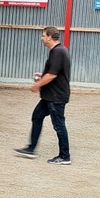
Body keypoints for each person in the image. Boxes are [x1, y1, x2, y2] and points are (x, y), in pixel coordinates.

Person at [14, 26, 72, 165]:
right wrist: (42, 76)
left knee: (59, 125)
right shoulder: (58, 51)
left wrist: (37, 85)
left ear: (50, 37)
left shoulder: (58, 52)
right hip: (49, 96)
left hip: (55, 97)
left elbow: (52, 75)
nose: (42, 38)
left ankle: (65, 156)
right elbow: (54, 72)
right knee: (37, 116)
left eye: (43, 35)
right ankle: (31, 149)